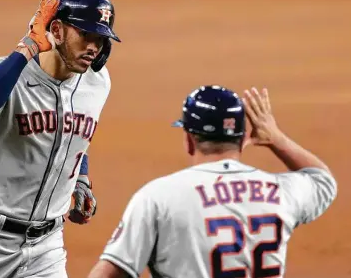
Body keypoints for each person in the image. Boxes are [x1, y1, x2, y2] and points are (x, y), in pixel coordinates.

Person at [0, 0, 121, 278]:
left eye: (101, 39)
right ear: (57, 30)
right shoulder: (7, 72)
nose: (94, 47)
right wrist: (27, 48)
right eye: (85, 35)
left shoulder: (97, 83)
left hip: (46, 249)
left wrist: (81, 179)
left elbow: (74, 132)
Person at [87, 86, 337, 278]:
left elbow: (111, 272)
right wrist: (276, 138)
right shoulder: (281, 192)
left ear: (189, 140)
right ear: (242, 140)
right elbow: (322, 180)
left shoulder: (159, 197)